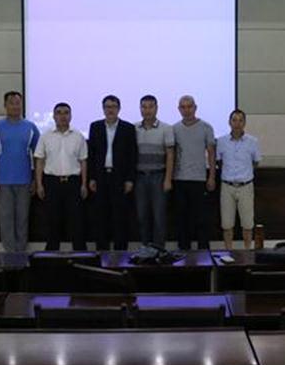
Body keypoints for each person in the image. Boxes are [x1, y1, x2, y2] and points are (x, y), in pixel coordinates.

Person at [0, 91, 40, 253]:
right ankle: (9, 255)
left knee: (23, 220)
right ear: (5, 105)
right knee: (6, 219)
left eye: (18, 103)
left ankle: (21, 255)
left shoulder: (31, 127)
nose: (15, 106)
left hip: (25, 181)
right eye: (12, 103)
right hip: (3, 182)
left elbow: (38, 156)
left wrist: (36, 180)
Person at [34, 102, 89, 251]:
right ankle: (51, 256)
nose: (62, 116)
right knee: (53, 221)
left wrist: (84, 184)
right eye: (59, 113)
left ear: (70, 116)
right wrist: (39, 184)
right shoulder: (45, 136)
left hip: (73, 182)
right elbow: (40, 161)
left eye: (66, 113)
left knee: (77, 222)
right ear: (54, 116)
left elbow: (83, 161)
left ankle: (81, 256)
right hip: (52, 183)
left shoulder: (78, 136)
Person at [88, 94, 138, 251]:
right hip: (101, 177)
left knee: (120, 217)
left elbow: (132, 155)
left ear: (119, 109)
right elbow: (91, 154)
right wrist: (92, 177)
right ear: (103, 109)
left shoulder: (128, 128)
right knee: (100, 216)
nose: (110, 110)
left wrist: (130, 179)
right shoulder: (95, 126)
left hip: (120, 178)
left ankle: (120, 254)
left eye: (113, 107)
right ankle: (101, 252)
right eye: (107, 107)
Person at [172, 95, 216, 250]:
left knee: (201, 219)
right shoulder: (174, 129)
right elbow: (172, 154)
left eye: (189, 106)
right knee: (182, 219)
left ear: (195, 108)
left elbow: (211, 153)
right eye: (183, 107)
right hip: (179, 180)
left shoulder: (206, 127)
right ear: (179, 109)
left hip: (199, 180)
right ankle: (184, 252)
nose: (186, 110)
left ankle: (203, 252)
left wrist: (211, 177)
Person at [216, 109, 262, 250]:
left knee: (247, 224)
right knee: (227, 224)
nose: (237, 123)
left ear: (245, 123)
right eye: (234, 120)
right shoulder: (221, 141)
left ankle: (248, 251)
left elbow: (256, 162)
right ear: (229, 122)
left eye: (240, 120)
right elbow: (219, 162)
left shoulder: (253, 142)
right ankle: (228, 252)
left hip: (245, 186)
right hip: (227, 186)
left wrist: (245, 175)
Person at [135, 94, 174, 248]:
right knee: (142, 216)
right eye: (144, 107)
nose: (147, 110)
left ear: (156, 108)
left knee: (159, 217)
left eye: (150, 107)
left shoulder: (166, 128)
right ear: (140, 109)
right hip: (139, 178)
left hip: (159, 177)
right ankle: (145, 250)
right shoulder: (134, 128)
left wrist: (168, 179)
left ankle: (159, 251)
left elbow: (170, 154)